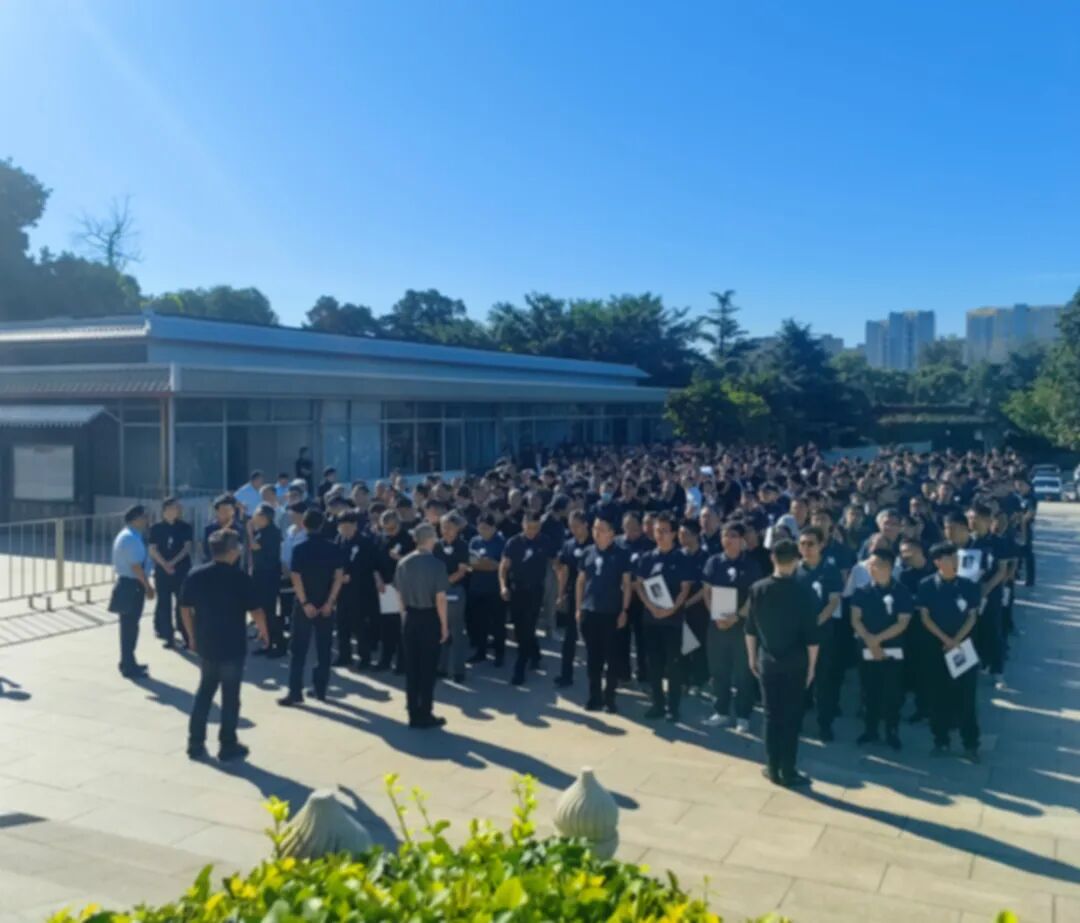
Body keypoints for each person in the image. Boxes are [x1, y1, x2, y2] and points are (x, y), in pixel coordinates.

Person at [180, 529, 269, 761]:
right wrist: (264, 631)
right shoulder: (239, 578)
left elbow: (185, 608)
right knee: (230, 696)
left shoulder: (196, 574)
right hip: (231, 643)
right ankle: (227, 744)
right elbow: (256, 610)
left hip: (206, 641)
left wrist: (191, 636)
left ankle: (195, 743)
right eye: (237, 546)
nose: (239, 550)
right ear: (231, 551)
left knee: (205, 691)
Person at [744, 538, 820, 787]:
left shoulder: (758, 588)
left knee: (770, 715)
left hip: (768, 660)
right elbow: (812, 636)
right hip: (796, 662)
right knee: (791, 717)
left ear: (772, 558)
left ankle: (772, 766)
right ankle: (788, 770)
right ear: (796, 559)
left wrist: (752, 657)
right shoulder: (804, 590)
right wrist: (812, 667)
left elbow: (750, 629)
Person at [917, 542, 983, 761]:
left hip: (962, 648)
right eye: (950, 558)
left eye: (956, 557)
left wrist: (956, 640)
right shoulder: (927, 585)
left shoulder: (968, 585)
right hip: (935, 647)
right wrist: (945, 639)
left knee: (966, 696)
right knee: (938, 694)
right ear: (938, 562)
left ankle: (970, 743)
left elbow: (972, 617)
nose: (955, 561)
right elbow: (925, 617)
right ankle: (941, 740)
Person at [279, 508, 346, 706]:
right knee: (324, 648)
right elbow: (338, 577)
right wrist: (330, 602)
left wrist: (305, 602)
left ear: (304, 525)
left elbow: (296, 577)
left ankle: (295, 692)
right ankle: (320, 690)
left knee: (298, 649)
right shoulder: (333, 548)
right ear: (322, 524)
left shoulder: (300, 548)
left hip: (304, 604)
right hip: (326, 603)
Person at [850, 548, 914, 750]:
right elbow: (855, 619)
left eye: (874, 565)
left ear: (887, 567)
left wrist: (877, 640)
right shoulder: (862, 591)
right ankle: (870, 730)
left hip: (892, 650)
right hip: (867, 648)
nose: (869, 568)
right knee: (869, 691)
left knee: (892, 692)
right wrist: (870, 641)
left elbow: (902, 623)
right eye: (869, 564)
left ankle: (892, 731)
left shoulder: (901, 591)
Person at [634, 511, 694, 723]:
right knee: (654, 664)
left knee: (674, 665)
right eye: (657, 531)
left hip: (673, 621)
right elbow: (639, 585)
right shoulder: (647, 557)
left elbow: (685, 589)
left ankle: (673, 707)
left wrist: (670, 610)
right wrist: (651, 606)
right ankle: (657, 704)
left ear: (674, 534)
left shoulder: (682, 558)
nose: (659, 535)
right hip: (651, 619)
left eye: (664, 531)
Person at [702, 522, 760, 732]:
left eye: (733, 535)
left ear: (742, 539)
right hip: (717, 624)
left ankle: (743, 715)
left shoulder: (751, 565)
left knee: (743, 672)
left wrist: (736, 616)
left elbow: (754, 596)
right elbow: (707, 591)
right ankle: (721, 711)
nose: (728, 539)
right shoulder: (714, 562)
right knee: (719, 669)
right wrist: (716, 615)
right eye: (725, 535)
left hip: (742, 625)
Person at [395, 523, 451, 729]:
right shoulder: (437, 565)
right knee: (428, 668)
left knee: (412, 668)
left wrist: (403, 616)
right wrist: (444, 625)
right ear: (431, 539)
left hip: (410, 615)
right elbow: (440, 598)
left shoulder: (403, 563)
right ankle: (425, 711)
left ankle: (412, 711)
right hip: (429, 617)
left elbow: (399, 594)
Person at [575, 516, 633, 712]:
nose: (596, 532)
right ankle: (594, 697)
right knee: (593, 658)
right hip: (590, 611)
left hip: (611, 612)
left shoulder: (621, 554)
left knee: (612, 658)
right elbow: (581, 581)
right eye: (595, 528)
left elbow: (626, 584)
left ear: (611, 533)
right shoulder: (587, 552)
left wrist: (624, 610)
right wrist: (578, 607)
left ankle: (610, 697)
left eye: (601, 529)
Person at [795, 526, 844, 741]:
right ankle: (796, 721)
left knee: (823, 681)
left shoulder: (830, 570)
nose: (806, 548)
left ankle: (825, 724)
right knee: (798, 680)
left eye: (811, 544)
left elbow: (833, 602)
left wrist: (814, 624)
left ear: (821, 545)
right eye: (802, 544)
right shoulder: (794, 569)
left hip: (822, 634)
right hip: (797, 636)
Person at [499, 510, 549, 685]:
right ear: (523, 525)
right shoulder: (513, 543)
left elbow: (556, 564)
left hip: (535, 591)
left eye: (535, 527)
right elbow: (504, 567)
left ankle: (519, 668)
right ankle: (535, 654)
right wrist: (503, 586)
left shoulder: (544, 541)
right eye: (529, 527)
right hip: (517, 590)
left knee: (528, 625)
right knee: (521, 628)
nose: (532, 531)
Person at [109, 505, 155, 679]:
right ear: (135, 519)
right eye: (144, 517)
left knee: (130, 626)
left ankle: (128, 661)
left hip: (131, 584)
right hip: (131, 585)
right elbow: (136, 567)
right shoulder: (130, 538)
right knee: (129, 627)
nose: (147, 520)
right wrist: (148, 586)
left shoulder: (132, 535)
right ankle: (128, 665)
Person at [335, 510, 381, 669]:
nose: (344, 530)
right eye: (341, 527)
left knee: (360, 626)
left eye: (347, 526)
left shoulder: (365, 542)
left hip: (360, 591)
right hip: (341, 590)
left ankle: (364, 658)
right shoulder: (339, 540)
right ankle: (344, 655)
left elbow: (370, 565)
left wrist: (352, 576)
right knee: (342, 624)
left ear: (355, 525)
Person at [147, 496, 193, 649]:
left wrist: (173, 562)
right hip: (162, 571)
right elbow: (152, 549)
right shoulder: (156, 528)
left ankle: (186, 634)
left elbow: (187, 548)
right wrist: (164, 564)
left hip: (181, 569)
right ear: (165, 510)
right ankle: (168, 635)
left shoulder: (185, 527)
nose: (176, 511)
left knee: (182, 603)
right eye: (173, 508)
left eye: (177, 508)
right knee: (164, 603)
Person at [554, 510, 592, 688]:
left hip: (592, 596)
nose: (574, 530)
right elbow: (564, 571)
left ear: (586, 525)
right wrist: (561, 594)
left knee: (593, 639)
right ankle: (565, 675)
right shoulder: (568, 545)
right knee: (569, 637)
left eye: (577, 526)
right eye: (571, 526)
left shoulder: (595, 544)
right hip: (572, 595)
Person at [375, 510, 414, 673]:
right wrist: (378, 579)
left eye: (391, 528)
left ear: (398, 523)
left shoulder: (409, 539)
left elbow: (415, 562)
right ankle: (385, 659)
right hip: (386, 586)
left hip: (403, 586)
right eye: (385, 528)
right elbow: (375, 561)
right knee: (387, 626)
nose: (388, 532)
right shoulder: (382, 538)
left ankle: (403, 663)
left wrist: (400, 558)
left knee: (401, 626)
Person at [434, 511, 471, 682]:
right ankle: (441, 667)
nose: (446, 531)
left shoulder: (462, 546)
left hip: (455, 590)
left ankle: (458, 670)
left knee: (456, 632)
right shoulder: (437, 545)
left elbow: (462, 571)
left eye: (449, 527)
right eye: (443, 527)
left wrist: (445, 583)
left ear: (457, 528)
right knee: (441, 630)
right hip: (438, 591)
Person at [466, 512, 506, 665]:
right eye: (480, 528)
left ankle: (499, 654)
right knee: (479, 623)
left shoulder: (501, 542)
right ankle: (481, 652)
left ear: (493, 528)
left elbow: (501, 565)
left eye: (486, 528)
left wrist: (490, 564)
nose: (483, 531)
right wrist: (484, 565)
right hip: (477, 587)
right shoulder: (474, 541)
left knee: (497, 623)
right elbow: (470, 562)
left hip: (495, 588)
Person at [249, 503, 283, 657]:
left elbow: (256, 547)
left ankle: (276, 643)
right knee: (262, 610)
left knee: (269, 611)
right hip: (260, 575)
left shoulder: (271, 533)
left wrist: (250, 532)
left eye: (257, 515)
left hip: (268, 577)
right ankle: (266, 640)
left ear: (264, 517)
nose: (254, 518)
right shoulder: (262, 531)